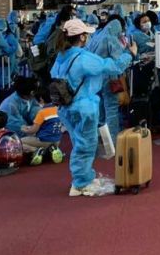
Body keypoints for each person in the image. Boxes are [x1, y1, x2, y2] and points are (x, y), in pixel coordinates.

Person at [51, 18, 135, 197]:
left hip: (65, 108)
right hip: (84, 108)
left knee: (78, 143)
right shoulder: (83, 58)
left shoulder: (61, 57)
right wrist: (130, 54)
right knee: (86, 145)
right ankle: (81, 183)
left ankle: (83, 177)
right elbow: (112, 66)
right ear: (81, 37)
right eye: (86, 34)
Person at [87, 17, 130, 137]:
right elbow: (118, 61)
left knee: (100, 110)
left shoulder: (97, 36)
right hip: (109, 78)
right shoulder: (111, 37)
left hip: (94, 78)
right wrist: (129, 54)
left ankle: (100, 138)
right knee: (111, 110)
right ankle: (113, 141)